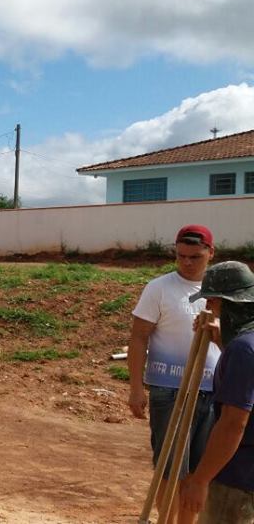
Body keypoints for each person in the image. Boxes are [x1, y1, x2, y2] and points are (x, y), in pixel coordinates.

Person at [129, 224, 219, 523]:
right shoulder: (159, 288)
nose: (187, 263)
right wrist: (136, 388)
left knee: (198, 472)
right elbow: (139, 337)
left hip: (212, 391)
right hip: (169, 390)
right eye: (181, 256)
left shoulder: (223, 291)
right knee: (170, 470)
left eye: (195, 257)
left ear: (210, 253)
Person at [180, 261, 254, 523]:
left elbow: (234, 423)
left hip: (237, 479)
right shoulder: (245, 345)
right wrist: (224, 343)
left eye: (211, 301)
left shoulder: (243, 350)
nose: (209, 307)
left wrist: (200, 480)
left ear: (224, 301)